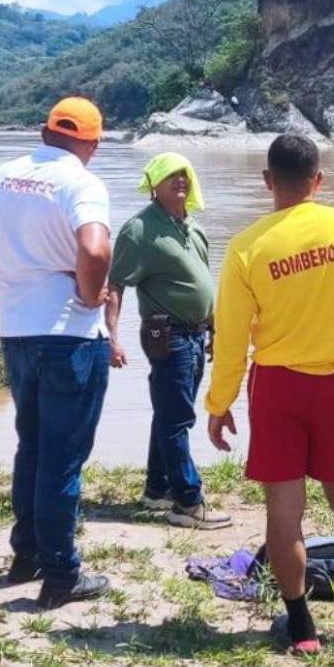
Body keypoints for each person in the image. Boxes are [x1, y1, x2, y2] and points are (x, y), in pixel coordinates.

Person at [205, 134, 334, 653]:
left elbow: (232, 340)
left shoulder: (246, 246)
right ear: (319, 180)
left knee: (284, 511)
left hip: (278, 386)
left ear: (268, 181)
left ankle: (302, 628)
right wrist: (331, 323)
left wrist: (218, 404)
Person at [0, 96, 114, 611]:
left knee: (33, 445)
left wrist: (7, 298)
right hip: (69, 336)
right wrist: (91, 298)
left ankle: (26, 556)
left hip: (18, 334)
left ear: (46, 133)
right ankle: (62, 573)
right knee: (63, 457)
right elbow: (94, 250)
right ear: (90, 142)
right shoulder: (81, 183)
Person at [107, 152, 231, 530]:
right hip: (167, 334)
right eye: (170, 175)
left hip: (195, 334)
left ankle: (157, 489)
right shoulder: (140, 231)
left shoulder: (193, 227)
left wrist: (213, 330)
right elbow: (115, 285)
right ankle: (187, 502)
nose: (180, 180)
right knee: (177, 418)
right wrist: (112, 337)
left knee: (170, 413)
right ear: (153, 185)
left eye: (184, 174)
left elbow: (203, 284)